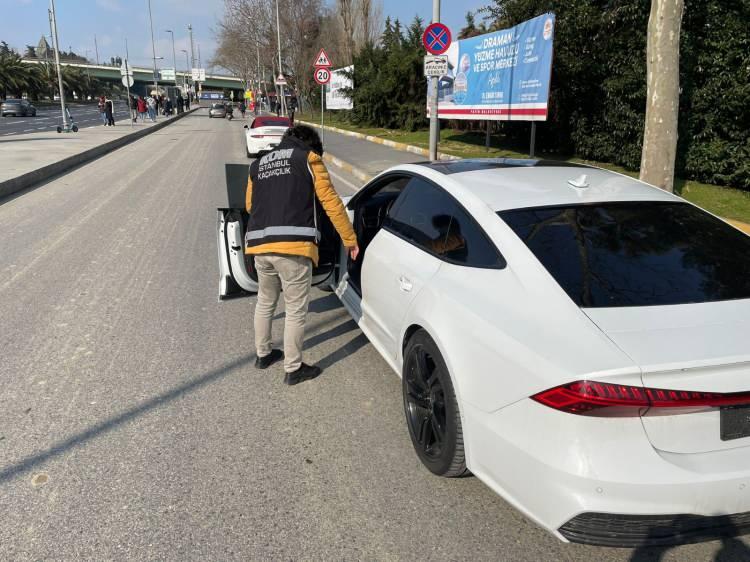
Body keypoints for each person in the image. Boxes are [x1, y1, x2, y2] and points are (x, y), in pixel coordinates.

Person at [245, 125, 359, 385]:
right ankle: (293, 368)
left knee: (265, 301)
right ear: (310, 145)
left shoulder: (258, 164)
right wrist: (350, 239)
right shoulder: (309, 159)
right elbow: (331, 203)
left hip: (260, 248)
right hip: (293, 248)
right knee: (296, 309)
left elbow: (251, 205)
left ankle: (263, 354)